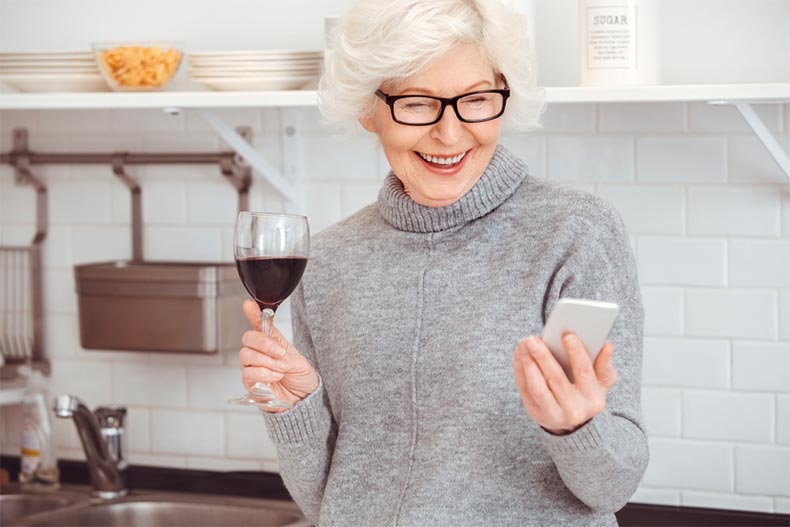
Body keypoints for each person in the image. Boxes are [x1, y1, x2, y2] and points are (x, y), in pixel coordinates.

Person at [236, 0, 649, 525]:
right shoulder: (332, 259)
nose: (449, 134)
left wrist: (577, 429)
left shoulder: (574, 233)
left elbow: (613, 486)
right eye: (415, 103)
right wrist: (295, 410)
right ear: (369, 108)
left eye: (475, 99)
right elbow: (333, 504)